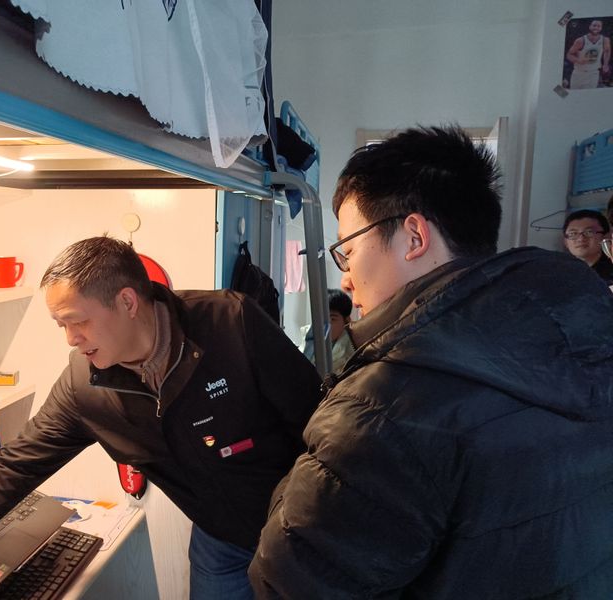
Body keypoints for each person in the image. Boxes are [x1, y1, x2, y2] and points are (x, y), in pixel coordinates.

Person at [0, 236, 322, 600]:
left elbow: (320, 426)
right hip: (220, 541)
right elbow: (9, 470)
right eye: (61, 325)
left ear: (128, 302)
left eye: (78, 321)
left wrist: (314, 526)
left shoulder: (231, 324)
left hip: (300, 531)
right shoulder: (85, 386)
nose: (71, 339)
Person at [249, 126, 613, 598]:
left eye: (348, 251)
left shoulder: (384, 406)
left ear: (414, 236)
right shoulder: (587, 329)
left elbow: (285, 583)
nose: (347, 280)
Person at [563, 208, 613, 285]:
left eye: (589, 232)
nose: (581, 239)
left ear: (606, 237)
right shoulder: (560, 273)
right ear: (565, 242)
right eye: (573, 234)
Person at [566, 19, 611, 89]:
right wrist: (578, 60)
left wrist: (605, 64)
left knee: (589, 95)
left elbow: (607, 51)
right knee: (575, 94)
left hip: (593, 73)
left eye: (598, 26)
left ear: (601, 28)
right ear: (590, 26)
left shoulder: (605, 40)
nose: (596, 27)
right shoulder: (580, 40)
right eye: (594, 25)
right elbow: (569, 55)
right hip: (579, 73)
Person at [327, 289, 354, 373]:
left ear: (347, 321)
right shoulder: (308, 340)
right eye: (320, 318)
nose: (325, 325)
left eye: (332, 319)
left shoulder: (354, 349)